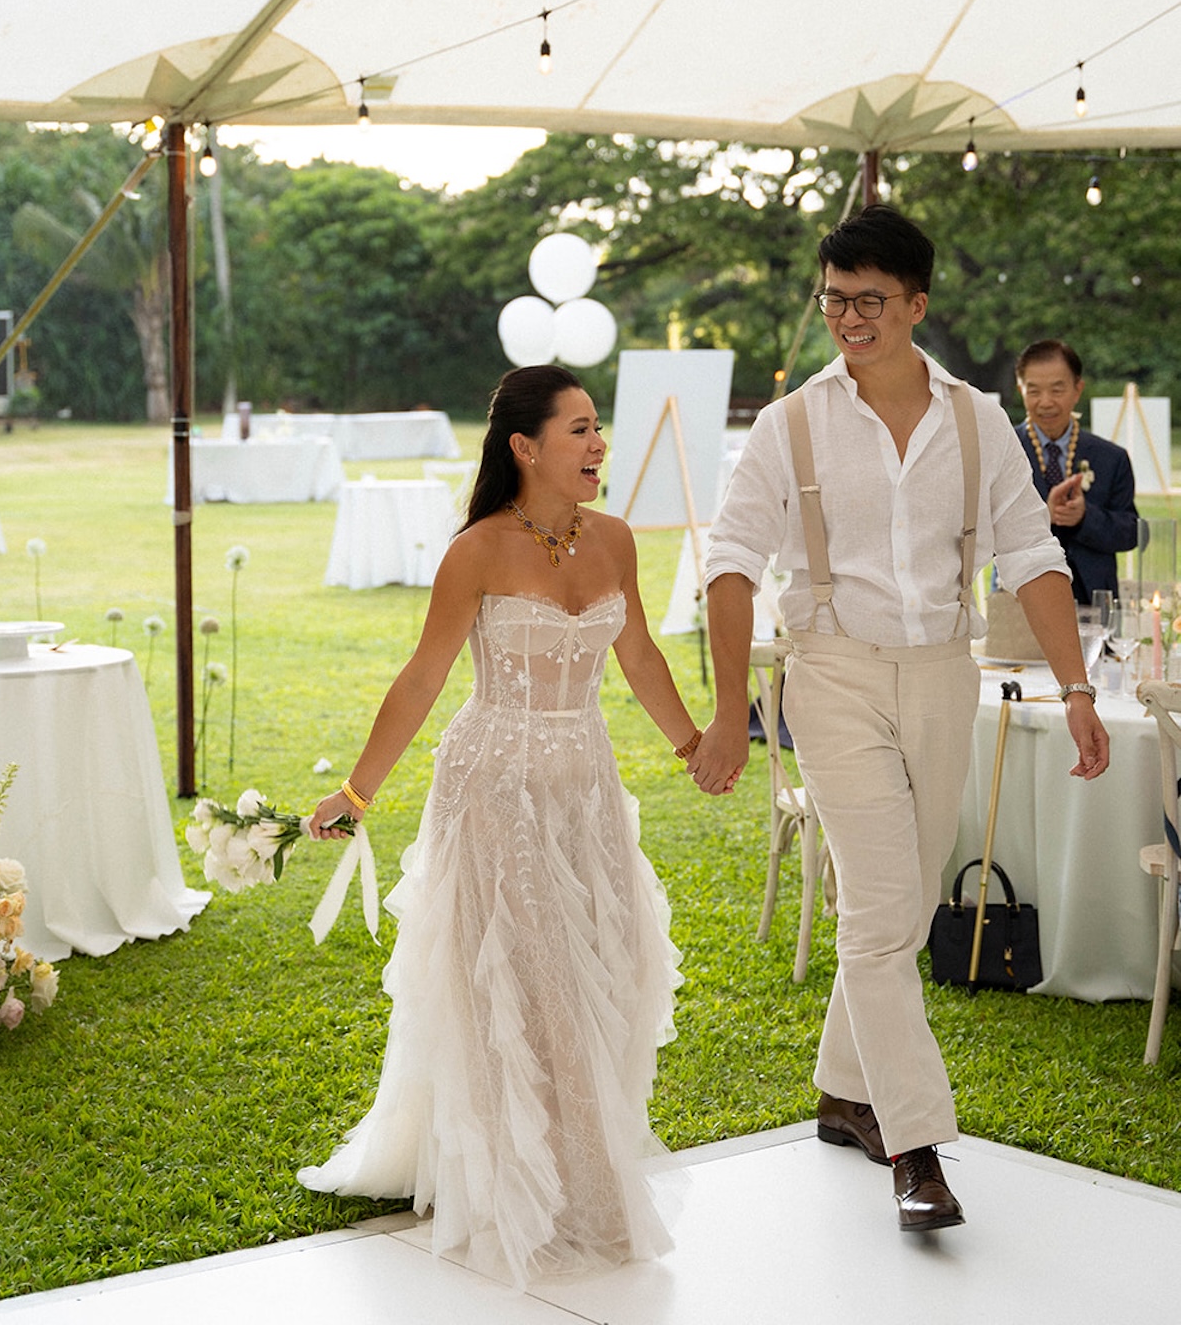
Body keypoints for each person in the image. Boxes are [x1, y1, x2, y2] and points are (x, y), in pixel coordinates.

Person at [696, 205, 1109, 1234]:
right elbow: (729, 565)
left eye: (868, 301)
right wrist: (719, 711)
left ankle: (841, 1089)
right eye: (833, 299)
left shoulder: (974, 421)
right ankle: (913, 1145)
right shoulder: (787, 424)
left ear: (915, 304)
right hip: (828, 671)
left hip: (938, 674)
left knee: (899, 900)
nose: (847, 319)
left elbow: (1032, 560)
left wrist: (1076, 688)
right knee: (883, 912)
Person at [298, 365, 713, 1288]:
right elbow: (423, 676)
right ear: (526, 447)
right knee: (530, 976)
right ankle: (548, 1187)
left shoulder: (613, 540)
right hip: (495, 785)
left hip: (587, 785)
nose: (599, 443)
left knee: (604, 963)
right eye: (579, 429)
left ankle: (572, 1163)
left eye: (598, 426)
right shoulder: (477, 551)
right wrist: (358, 795)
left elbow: (638, 651)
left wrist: (692, 744)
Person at [1013, 338, 1139, 603]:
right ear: (1020, 389)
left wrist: (1084, 517)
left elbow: (1130, 532)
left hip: (1094, 597)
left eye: (1057, 390)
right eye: (1033, 391)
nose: (1045, 402)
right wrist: (1041, 516)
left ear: (1077, 389)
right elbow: (977, 534)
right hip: (1021, 599)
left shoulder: (1111, 458)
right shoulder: (1003, 452)